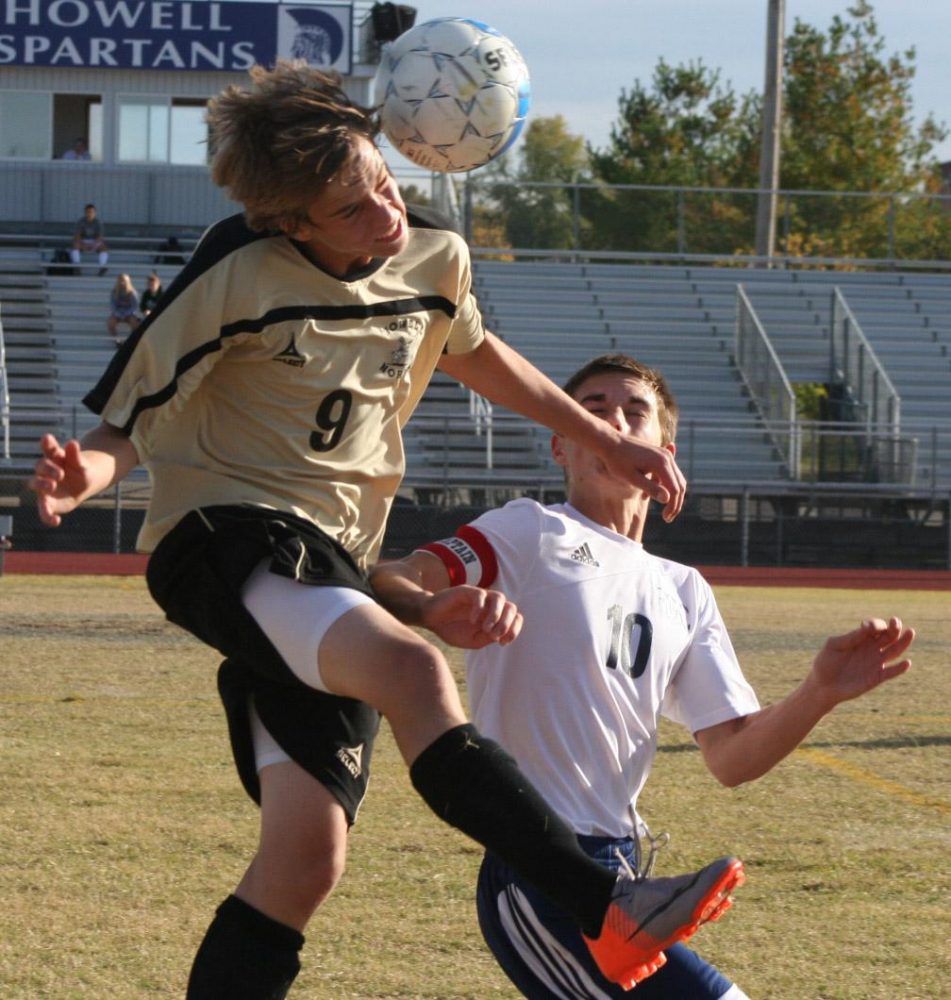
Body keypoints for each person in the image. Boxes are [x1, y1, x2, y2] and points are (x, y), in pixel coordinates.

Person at [27, 62, 736, 1000]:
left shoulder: (433, 253)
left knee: (304, 859)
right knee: (412, 670)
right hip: (225, 536)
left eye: (386, 185)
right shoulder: (233, 268)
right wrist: (86, 476)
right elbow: (128, 419)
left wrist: (606, 436)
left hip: (332, 564)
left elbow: (475, 352)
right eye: (354, 209)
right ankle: (606, 909)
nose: (387, 216)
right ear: (290, 224)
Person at [370, 353, 916, 1000]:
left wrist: (817, 693)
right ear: (560, 444)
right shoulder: (526, 529)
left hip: (622, 876)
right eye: (593, 412)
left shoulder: (681, 589)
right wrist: (430, 608)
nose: (616, 423)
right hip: (542, 873)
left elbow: (733, 756)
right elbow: (391, 576)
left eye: (635, 412)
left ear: (665, 449)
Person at [70, 203, 109, 275]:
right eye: (87, 212)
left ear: (95, 213)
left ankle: (102, 267)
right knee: (75, 245)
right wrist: (83, 244)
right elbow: (77, 235)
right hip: (83, 241)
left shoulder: (98, 223)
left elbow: (100, 236)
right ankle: (77, 267)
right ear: (85, 212)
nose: (89, 214)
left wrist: (94, 245)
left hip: (94, 241)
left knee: (104, 248)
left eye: (91, 212)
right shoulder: (81, 221)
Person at [107, 273, 141, 345]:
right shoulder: (114, 292)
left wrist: (125, 314)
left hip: (129, 313)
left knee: (134, 323)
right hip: (118, 313)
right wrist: (119, 314)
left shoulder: (132, 293)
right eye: (120, 281)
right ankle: (116, 340)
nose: (122, 283)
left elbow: (134, 306)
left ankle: (131, 340)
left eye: (124, 281)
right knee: (111, 323)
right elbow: (113, 306)